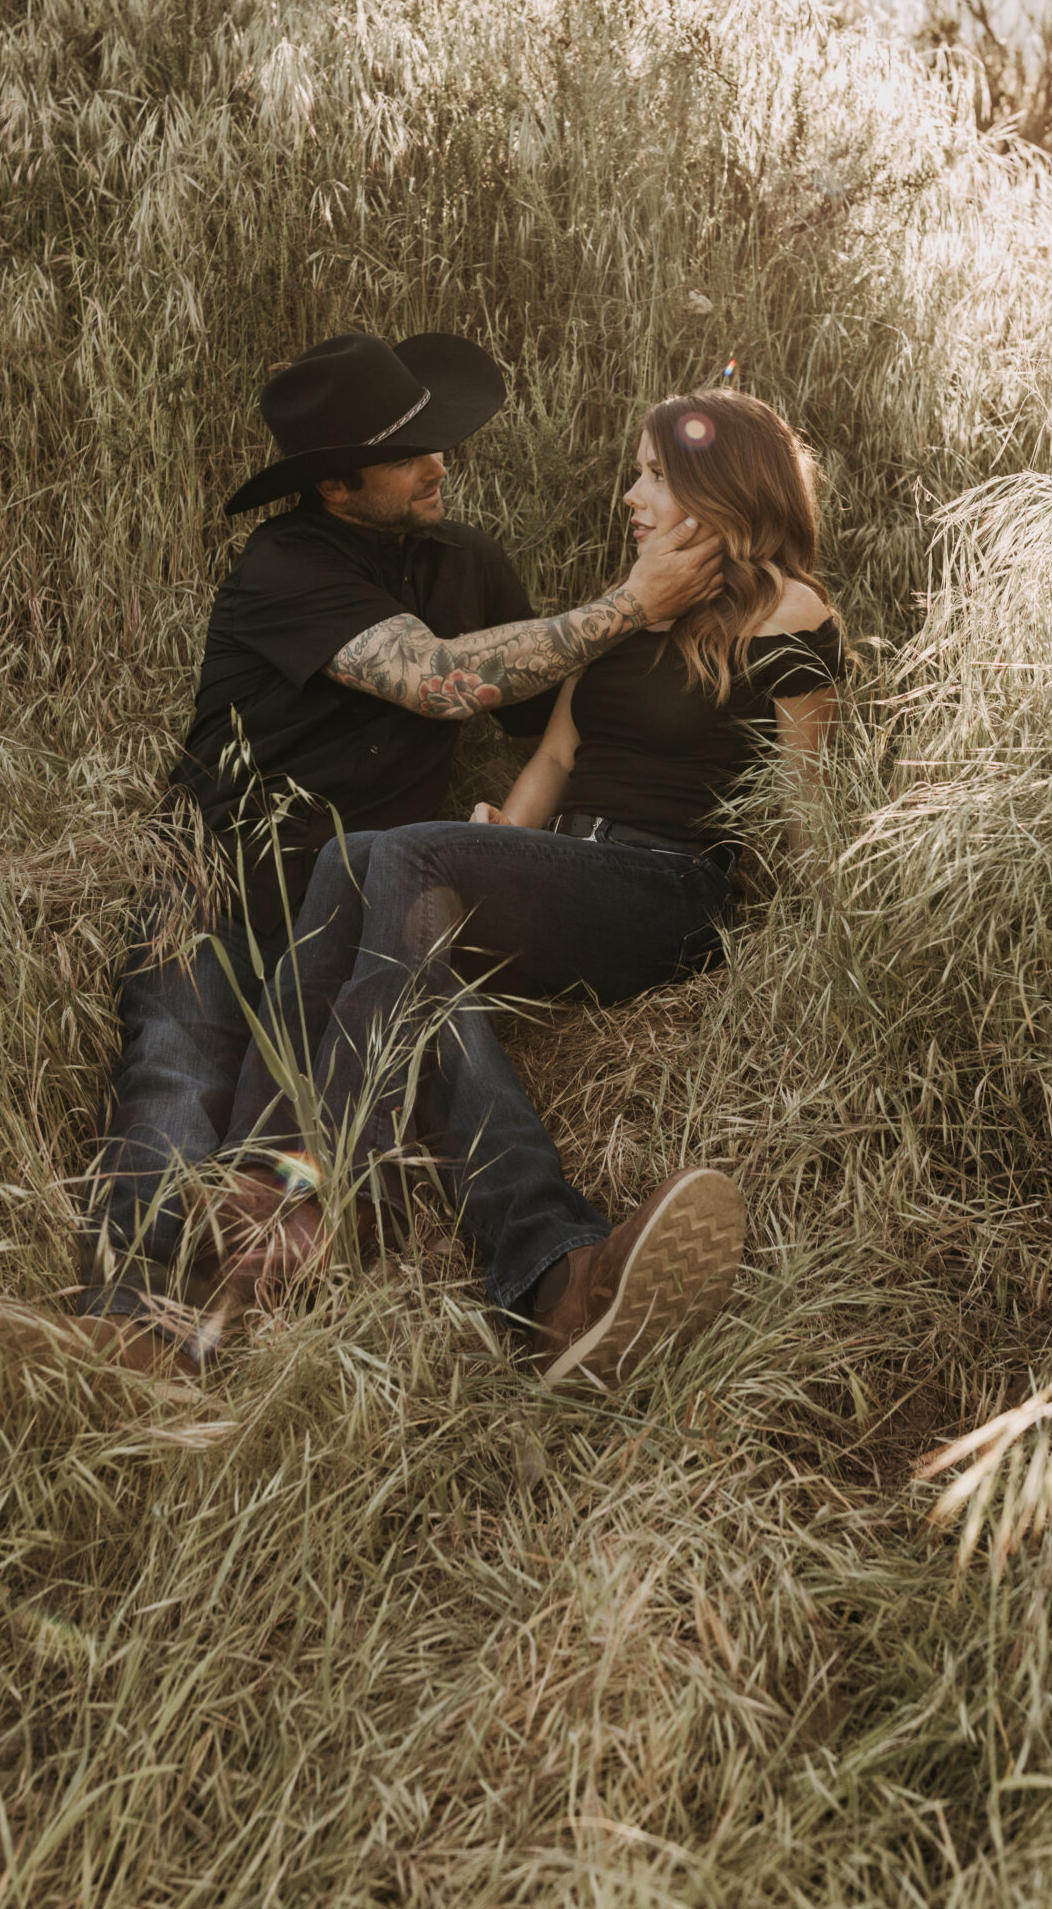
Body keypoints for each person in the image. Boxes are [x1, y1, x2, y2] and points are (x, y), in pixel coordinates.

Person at [68, 330, 722, 1374]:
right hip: (224, 889)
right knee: (175, 1069)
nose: (441, 465)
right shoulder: (283, 567)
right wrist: (628, 604)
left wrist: (718, 613)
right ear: (335, 485)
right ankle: (137, 1327)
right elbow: (442, 680)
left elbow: (561, 715)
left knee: (450, 1038)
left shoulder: (469, 562)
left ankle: (565, 1285)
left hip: (374, 905)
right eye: (410, 453)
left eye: (438, 442)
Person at [206, 387, 843, 1391]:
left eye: (653, 473)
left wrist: (809, 960)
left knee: (396, 857)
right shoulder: (625, 611)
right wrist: (507, 839)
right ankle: (561, 1279)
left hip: (668, 889)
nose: (631, 493)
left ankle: (307, 1196)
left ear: (719, 488)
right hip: (571, 872)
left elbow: (805, 806)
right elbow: (555, 756)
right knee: (373, 887)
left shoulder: (793, 613)